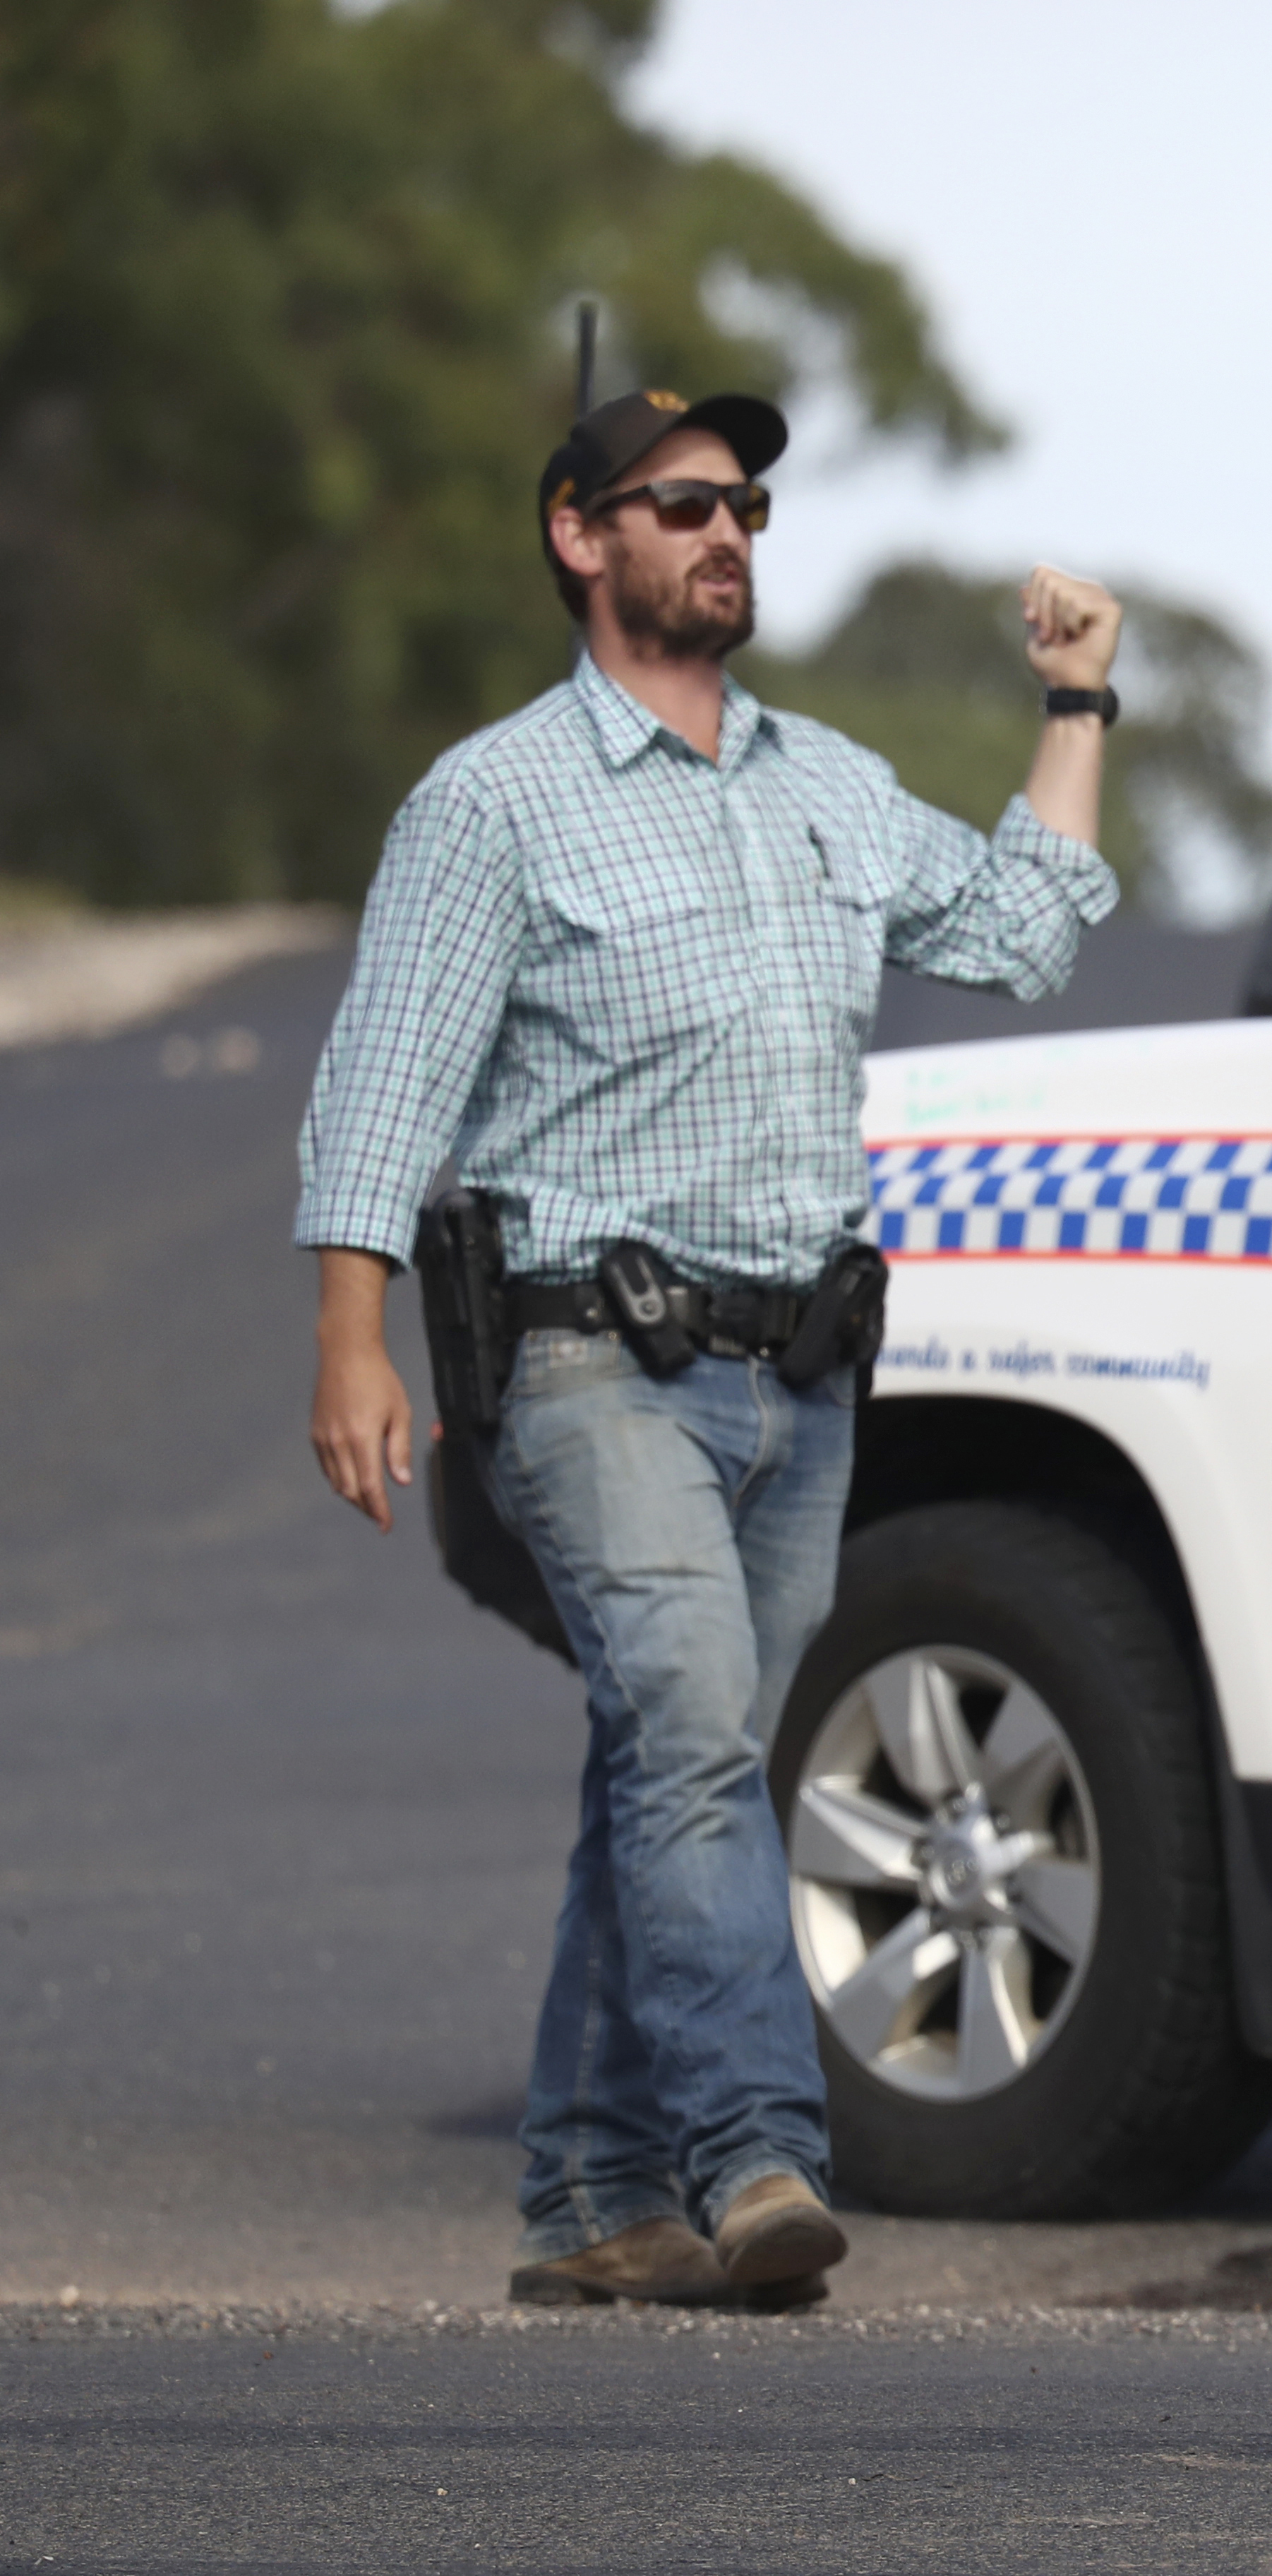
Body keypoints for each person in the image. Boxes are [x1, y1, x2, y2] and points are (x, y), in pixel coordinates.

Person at [296, 378, 1127, 2310]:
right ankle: (757, 2153)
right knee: (688, 1736)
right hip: (591, 1362)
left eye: (748, 503)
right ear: (581, 536)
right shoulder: (493, 800)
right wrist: (352, 1339)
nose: (728, 532)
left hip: (802, 1380)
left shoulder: (828, 782)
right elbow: (381, 1084)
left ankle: (589, 2198)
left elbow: (1020, 929)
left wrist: (1076, 700)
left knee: (679, 1757)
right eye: (681, 504)